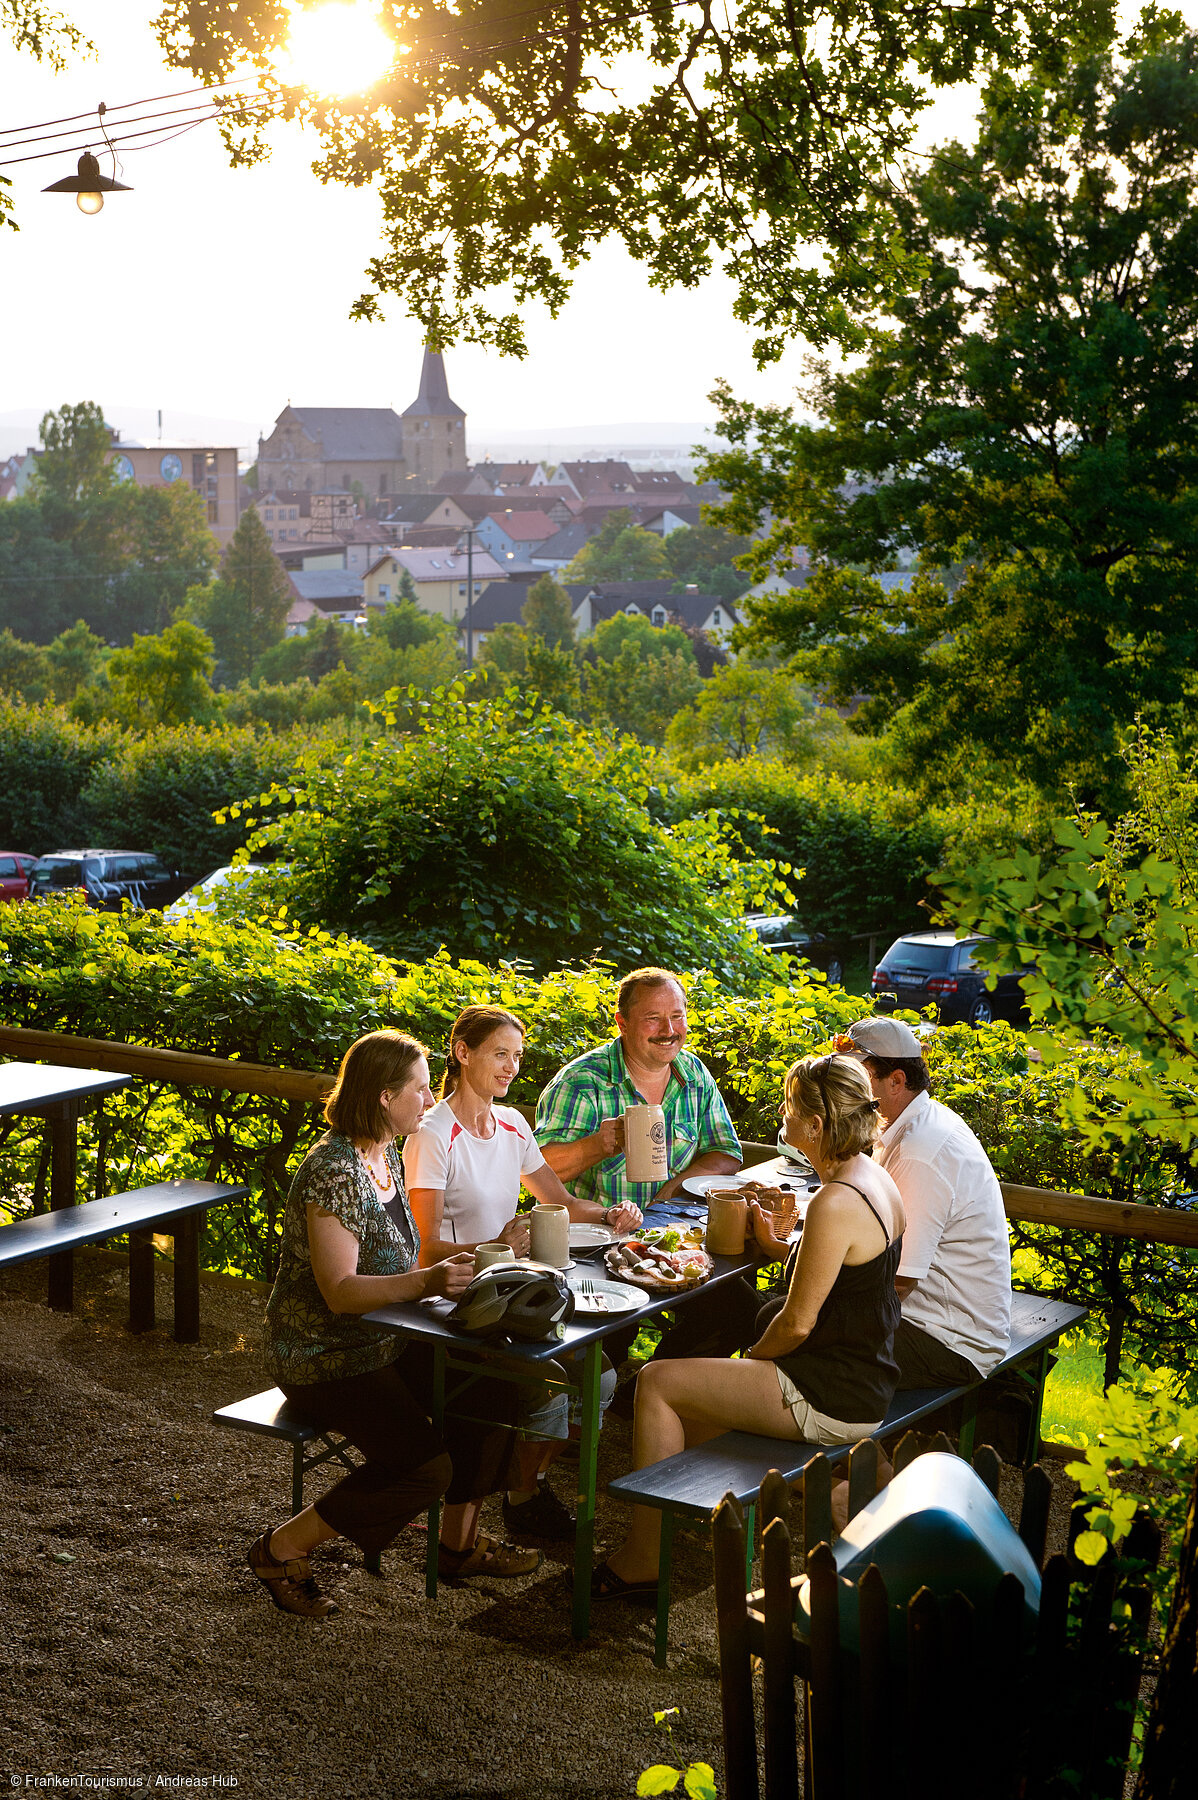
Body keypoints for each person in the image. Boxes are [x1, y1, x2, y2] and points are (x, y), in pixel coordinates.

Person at [591, 1052, 905, 1598]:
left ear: (816, 1124)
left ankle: (645, 1558)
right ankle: (805, 1492)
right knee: (696, 1402)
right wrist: (779, 1246)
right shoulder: (872, 1178)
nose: (781, 1114)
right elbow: (844, 1273)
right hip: (863, 1376)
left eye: (789, 1105)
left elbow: (797, 1325)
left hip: (827, 1390)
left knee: (658, 1382)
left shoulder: (836, 1198)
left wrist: (752, 1359)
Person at [253, 1029, 540, 1620]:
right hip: (323, 1355)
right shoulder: (336, 1170)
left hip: (386, 1337)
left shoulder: (380, 1151)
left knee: (495, 1385)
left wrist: (475, 1260)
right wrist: (427, 1284)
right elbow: (340, 1293)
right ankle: (280, 1549)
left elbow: (407, 1260)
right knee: (423, 1467)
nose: (431, 1099)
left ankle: (458, 1548)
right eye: (420, 1088)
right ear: (385, 1096)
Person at [404, 1005, 642, 1539]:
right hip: (454, 1299)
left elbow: (556, 1202)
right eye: (499, 1054)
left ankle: (524, 1485)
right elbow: (423, 1250)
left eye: (517, 1056)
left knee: (599, 1375)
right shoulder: (432, 1134)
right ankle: (519, 1498)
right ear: (463, 1054)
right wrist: (498, 1243)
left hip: (512, 1289)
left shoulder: (512, 1123)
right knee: (557, 1379)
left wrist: (612, 1215)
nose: (512, 1066)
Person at [837, 1016, 1011, 1388]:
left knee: (789, 1324)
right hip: (927, 1320)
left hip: (949, 1341)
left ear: (896, 1081)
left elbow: (899, 1281)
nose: (843, 1088)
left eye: (855, 1076)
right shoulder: (916, 1124)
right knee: (784, 1314)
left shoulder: (920, 1152)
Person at [535, 966, 742, 1212]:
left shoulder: (694, 1073)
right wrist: (598, 1145)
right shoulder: (581, 1082)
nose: (668, 1031)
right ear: (623, 1023)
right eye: (653, 1019)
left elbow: (725, 1152)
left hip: (675, 1230)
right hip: (594, 1240)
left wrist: (673, 1192)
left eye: (677, 1016)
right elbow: (538, 1171)